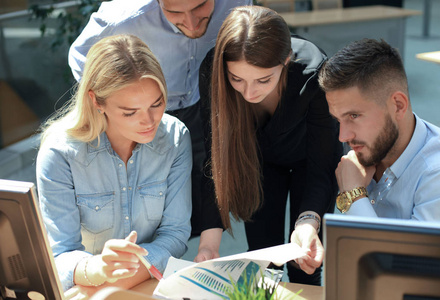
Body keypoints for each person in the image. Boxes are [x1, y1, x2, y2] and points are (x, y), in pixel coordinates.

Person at [68, 0, 251, 237]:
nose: (192, 23)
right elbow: (80, 56)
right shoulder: (124, 15)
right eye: (174, 12)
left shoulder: (237, 2)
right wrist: (114, 107)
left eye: (200, 7)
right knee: (144, 203)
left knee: (199, 192)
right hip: (148, 110)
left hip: (202, 103)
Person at [36, 34, 192, 297]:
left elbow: (175, 235)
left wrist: (110, 288)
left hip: (126, 289)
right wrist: (98, 269)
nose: (149, 121)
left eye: (157, 104)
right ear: (97, 101)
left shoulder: (175, 139)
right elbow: (60, 254)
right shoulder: (60, 153)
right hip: (86, 285)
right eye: (130, 112)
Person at [197, 6, 342, 285]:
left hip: (308, 161)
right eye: (236, 79)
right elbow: (214, 156)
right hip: (255, 160)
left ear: (286, 60)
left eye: (263, 80)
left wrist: (308, 222)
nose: (249, 93)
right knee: (263, 261)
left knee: (305, 262)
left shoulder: (315, 72)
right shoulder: (213, 69)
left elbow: (323, 164)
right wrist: (208, 243)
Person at [318, 38, 440, 220]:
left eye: (354, 116)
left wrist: (353, 194)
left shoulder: (434, 173)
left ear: (398, 105)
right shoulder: (363, 148)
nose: (343, 137)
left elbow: (400, 250)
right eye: (338, 119)